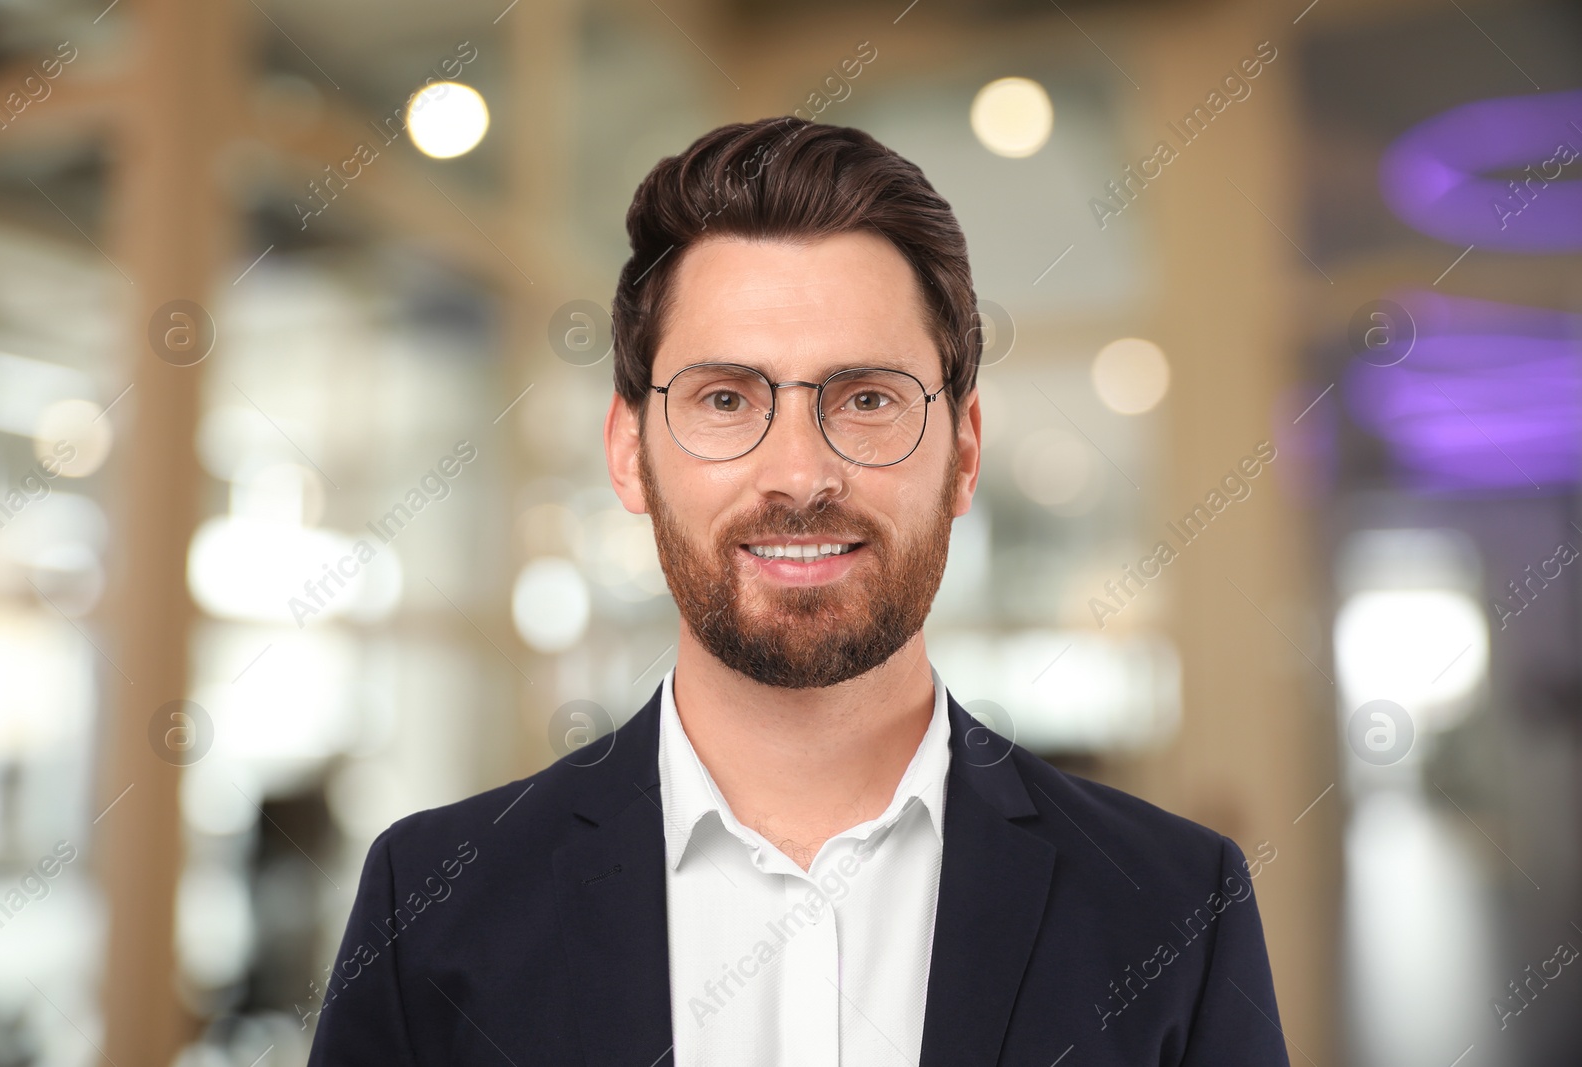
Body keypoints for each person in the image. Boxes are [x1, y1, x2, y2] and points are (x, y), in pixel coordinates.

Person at [306, 115, 1290, 1066]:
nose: (799, 474)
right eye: (726, 398)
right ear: (626, 450)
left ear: (964, 451)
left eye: (865, 399)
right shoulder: (431, 903)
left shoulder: (1173, 907)